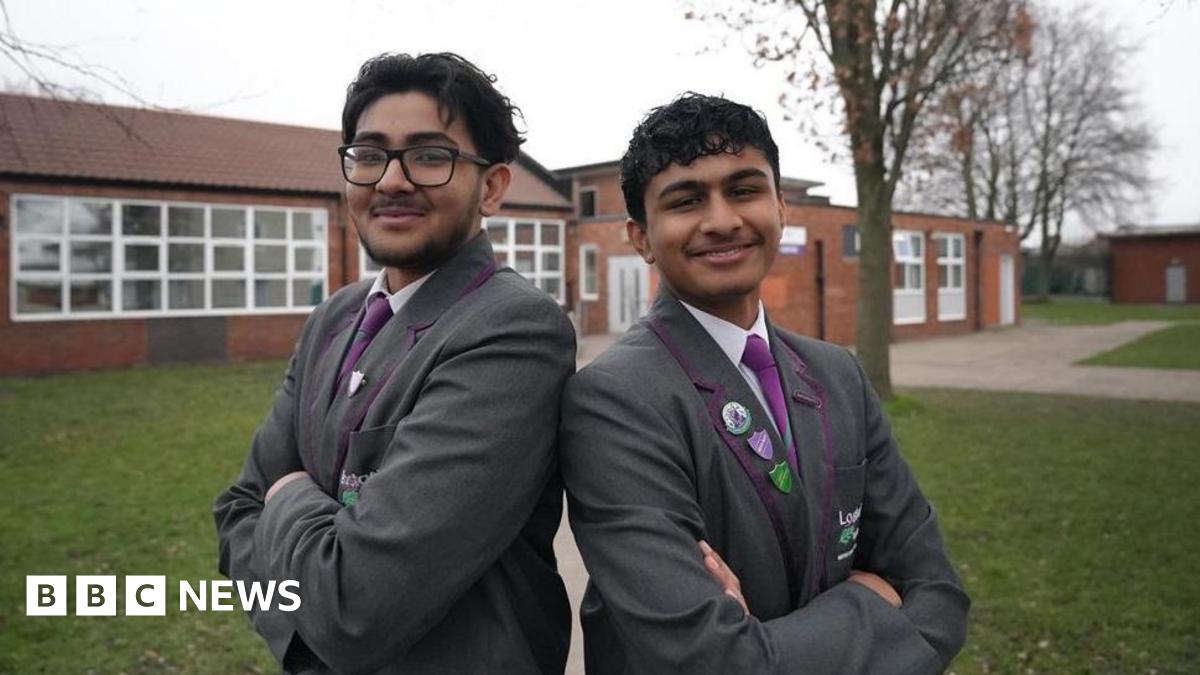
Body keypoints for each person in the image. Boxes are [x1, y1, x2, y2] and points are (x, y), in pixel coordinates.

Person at [560, 93, 969, 674]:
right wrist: (869, 600)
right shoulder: (613, 400)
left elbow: (939, 595)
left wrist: (769, 642)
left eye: (744, 189)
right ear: (641, 237)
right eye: (686, 200)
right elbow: (710, 659)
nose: (723, 219)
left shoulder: (838, 374)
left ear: (781, 206)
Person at [214, 52, 574, 674]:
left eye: (431, 156)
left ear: (491, 187)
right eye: (370, 154)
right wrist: (312, 619)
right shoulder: (334, 318)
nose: (391, 180)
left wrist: (291, 493)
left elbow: (358, 606)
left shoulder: (513, 328)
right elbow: (236, 514)